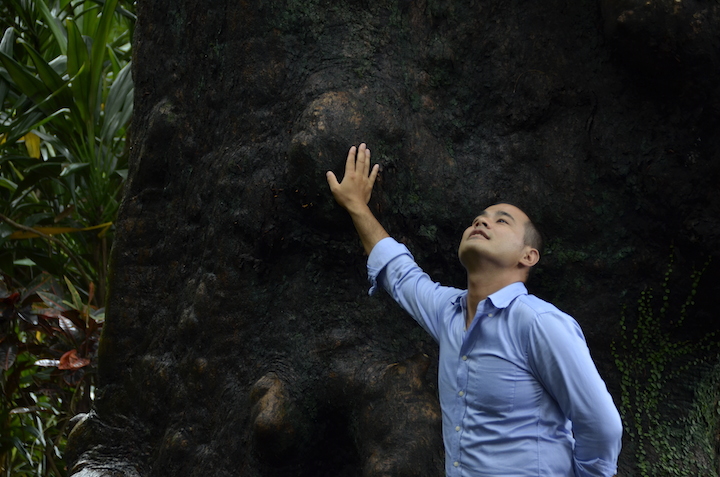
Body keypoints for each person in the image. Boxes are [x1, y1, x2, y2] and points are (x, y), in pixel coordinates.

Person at [326, 143, 623, 477]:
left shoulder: (538, 322)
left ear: (528, 256)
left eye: (502, 220)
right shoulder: (448, 312)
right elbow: (399, 273)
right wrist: (355, 205)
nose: (483, 220)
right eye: (479, 218)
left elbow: (601, 426)